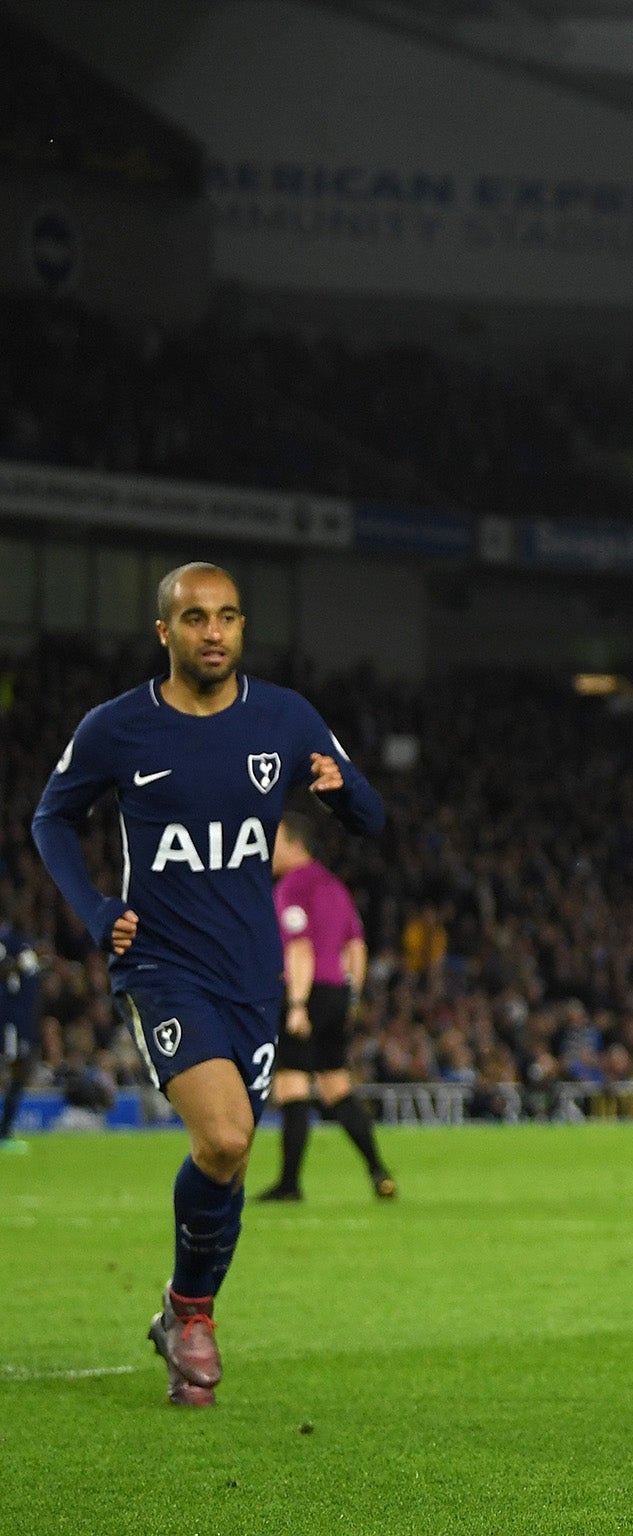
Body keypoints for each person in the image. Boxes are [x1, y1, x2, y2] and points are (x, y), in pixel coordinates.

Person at [31, 562, 383, 1406]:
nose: (213, 631)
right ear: (166, 633)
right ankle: (193, 1314)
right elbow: (51, 817)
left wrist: (342, 792)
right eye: (195, 618)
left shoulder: (285, 716)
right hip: (162, 966)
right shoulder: (119, 728)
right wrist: (92, 908)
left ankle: (186, 1311)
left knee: (226, 1158)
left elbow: (372, 818)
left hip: (251, 975)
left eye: (226, 616)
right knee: (224, 1137)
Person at [258, 812, 394, 1201]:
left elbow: (299, 948)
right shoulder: (335, 887)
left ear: (295, 843)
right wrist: (351, 1000)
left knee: (292, 1083)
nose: (267, 852)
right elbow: (356, 947)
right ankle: (378, 1170)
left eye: (274, 841)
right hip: (338, 992)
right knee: (335, 1084)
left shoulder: (292, 888)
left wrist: (298, 1005)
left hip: (307, 990)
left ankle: (289, 1183)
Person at [0, 908, 42, 1151]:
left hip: (24, 1020)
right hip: (11, 1022)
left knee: (20, 1072)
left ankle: (6, 1129)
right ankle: (4, 1131)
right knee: (15, 1070)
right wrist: (16, 965)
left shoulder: (28, 943)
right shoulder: (8, 942)